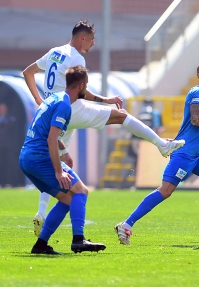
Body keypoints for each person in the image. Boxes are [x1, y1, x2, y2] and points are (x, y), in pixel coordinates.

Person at [22, 19, 185, 236]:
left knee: (57, 160)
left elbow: (27, 72)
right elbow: (77, 89)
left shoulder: (55, 52)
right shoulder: (75, 57)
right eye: (91, 40)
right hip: (70, 108)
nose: (92, 44)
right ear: (82, 38)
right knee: (121, 115)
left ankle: (41, 212)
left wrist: (38, 100)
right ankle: (162, 144)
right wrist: (104, 100)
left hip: (53, 110)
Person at [114, 61, 199, 245]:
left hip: (197, 155)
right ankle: (126, 225)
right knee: (165, 191)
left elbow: (195, 125)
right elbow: (197, 119)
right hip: (184, 154)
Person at [20, 65, 106, 254]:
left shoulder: (54, 98)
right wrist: (59, 171)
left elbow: (48, 133)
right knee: (81, 190)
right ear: (82, 85)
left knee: (67, 199)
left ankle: (41, 245)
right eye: (87, 86)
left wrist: (64, 151)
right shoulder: (64, 105)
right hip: (39, 158)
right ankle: (78, 240)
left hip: (27, 159)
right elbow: (50, 138)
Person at [0, 102, 17, 187]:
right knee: (1, 164)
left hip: (8, 146)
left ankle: (10, 182)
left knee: (9, 164)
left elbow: (11, 126)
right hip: (1, 146)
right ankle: (2, 182)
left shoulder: (10, 118)